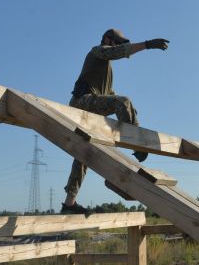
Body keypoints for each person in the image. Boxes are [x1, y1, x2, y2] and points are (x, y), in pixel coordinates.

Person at [61, 28, 170, 214]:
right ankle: (136, 145)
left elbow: (110, 98)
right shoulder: (97, 50)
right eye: (117, 44)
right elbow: (116, 53)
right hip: (81, 103)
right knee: (123, 102)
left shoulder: (106, 74)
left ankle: (69, 203)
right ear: (107, 39)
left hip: (92, 110)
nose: (118, 48)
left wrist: (132, 121)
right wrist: (147, 45)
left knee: (84, 153)